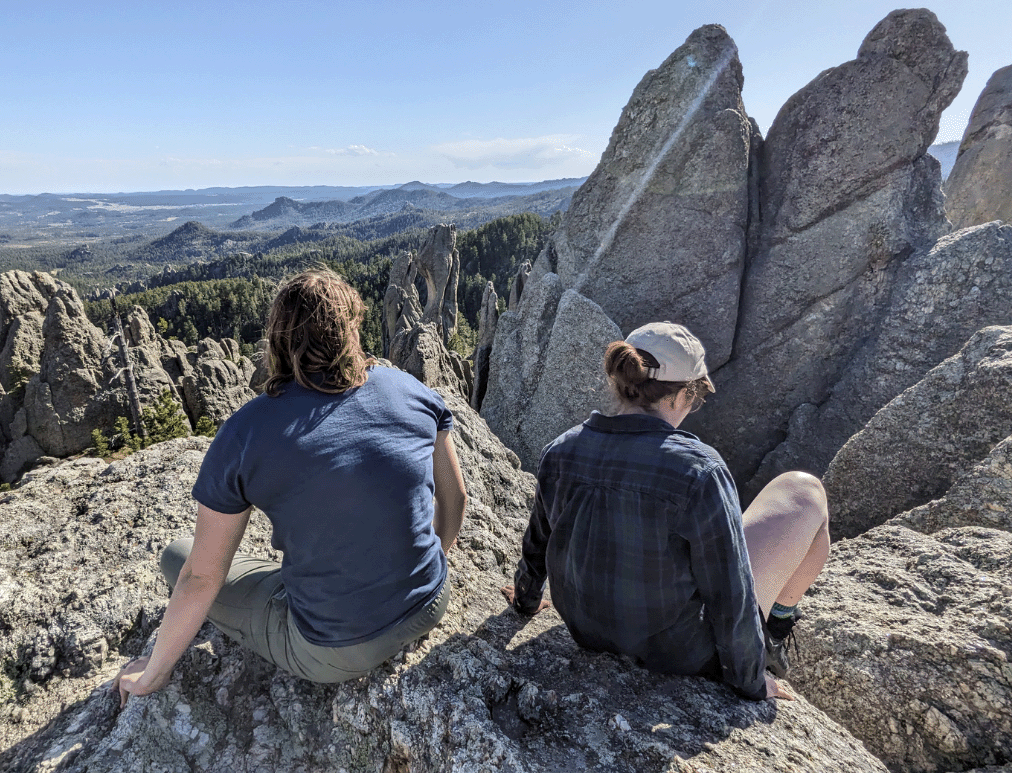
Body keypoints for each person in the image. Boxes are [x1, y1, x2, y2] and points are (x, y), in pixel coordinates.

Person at [114, 268, 467, 706]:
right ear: (352, 328)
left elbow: (202, 576)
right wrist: (421, 572)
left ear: (278, 342)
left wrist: (153, 672)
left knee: (178, 556)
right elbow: (455, 497)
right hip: (432, 601)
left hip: (332, 651)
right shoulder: (411, 390)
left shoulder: (246, 432)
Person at [502, 322, 829, 701]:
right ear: (680, 396)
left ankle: (774, 624)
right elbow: (730, 592)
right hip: (677, 652)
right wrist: (750, 678)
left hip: (585, 629)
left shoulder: (560, 450)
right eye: (697, 397)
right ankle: (773, 631)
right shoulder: (700, 471)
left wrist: (526, 599)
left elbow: (537, 542)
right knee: (805, 492)